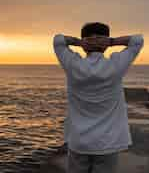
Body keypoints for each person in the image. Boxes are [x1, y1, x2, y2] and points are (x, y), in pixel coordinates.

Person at [53, 22, 144, 173]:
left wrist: (79, 42)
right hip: (107, 143)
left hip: (78, 141)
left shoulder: (73, 64)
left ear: (84, 43)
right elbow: (137, 40)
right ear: (105, 43)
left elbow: (58, 40)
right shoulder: (116, 65)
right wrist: (112, 42)